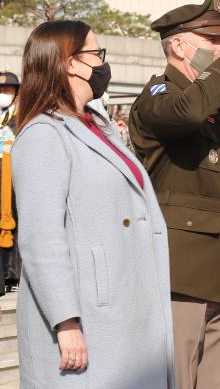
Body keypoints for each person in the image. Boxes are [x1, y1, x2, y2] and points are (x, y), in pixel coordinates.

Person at [11, 20, 175, 388]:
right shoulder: (43, 134)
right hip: (89, 314)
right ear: (71, 63)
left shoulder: (96, 124)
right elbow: (41, 239)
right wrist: (65, 321)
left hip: (124, 302)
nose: (103, 63)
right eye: (96, 54)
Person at [128, 0, 220, 389]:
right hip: (182, 268)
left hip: (217, 264)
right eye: (212, 39)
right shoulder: (158, 97)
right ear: (179, 45)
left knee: (210, 378)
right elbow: (187, 113)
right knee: (179, 377)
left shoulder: (210, 101)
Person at [0, 72, 21, 292]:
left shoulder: (21, 118)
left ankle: (12, 273)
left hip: (14, 177)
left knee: (15, 221)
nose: (3, 95)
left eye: (7, 91)